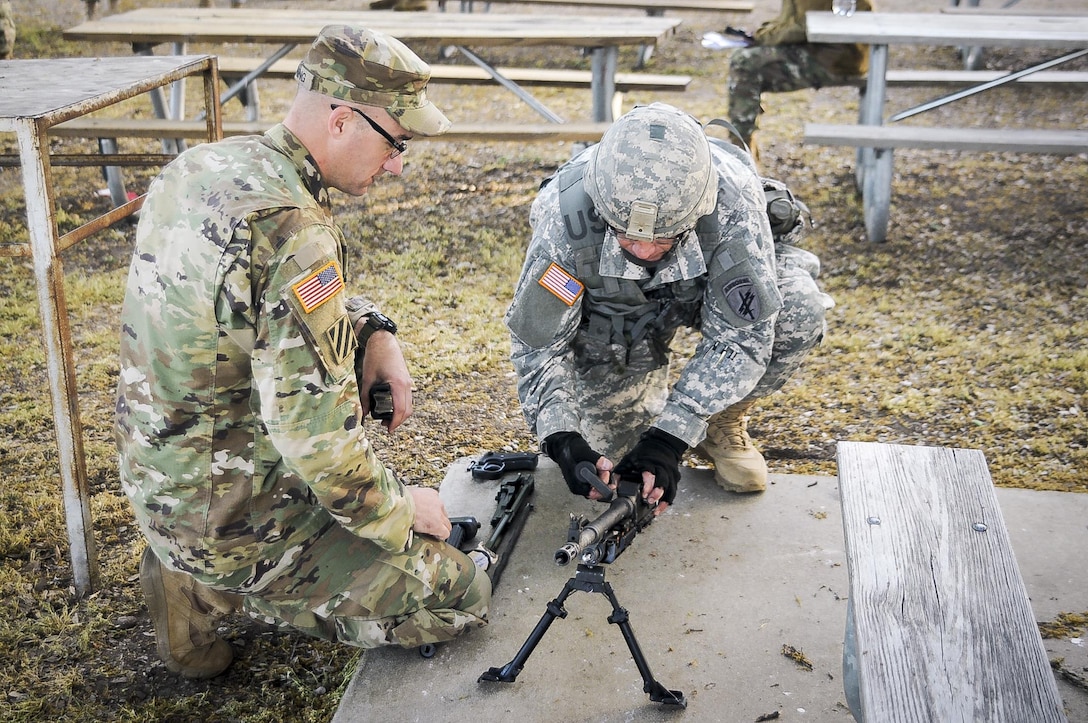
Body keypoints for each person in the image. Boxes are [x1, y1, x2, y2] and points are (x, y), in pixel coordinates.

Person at [114, 25, 490, 680]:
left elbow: (254, 307)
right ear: (342, 120)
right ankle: (212, 584)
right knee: (458, 587)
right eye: (396, 142)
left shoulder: (207, 166)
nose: (399, 163)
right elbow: (323, 449)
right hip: (229, 519)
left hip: (163, 483)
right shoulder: (293, 230)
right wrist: (407, 511)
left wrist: (374, 331)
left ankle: (184, 561)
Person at [505, 102, 830, 509]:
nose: (643, 250)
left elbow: (744, 337)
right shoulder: (563, 215)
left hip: (705, 291)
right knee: (617, 465)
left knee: (797, 310)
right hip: (617, 318)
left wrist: (671, 436)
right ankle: (642, 405)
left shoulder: (733, 202)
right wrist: (560, 436)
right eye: (626, 234)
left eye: (663, 237)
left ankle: (721, 419)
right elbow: (539, 342)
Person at [725, 0, 873, 157]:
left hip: (835, 59)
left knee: (744, 63)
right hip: (823, 49)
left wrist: (763, 37)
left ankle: (741, 150)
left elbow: (801, 26)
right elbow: (791, 20)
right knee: (745, 63)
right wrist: (762, 33)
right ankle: (743, 145)